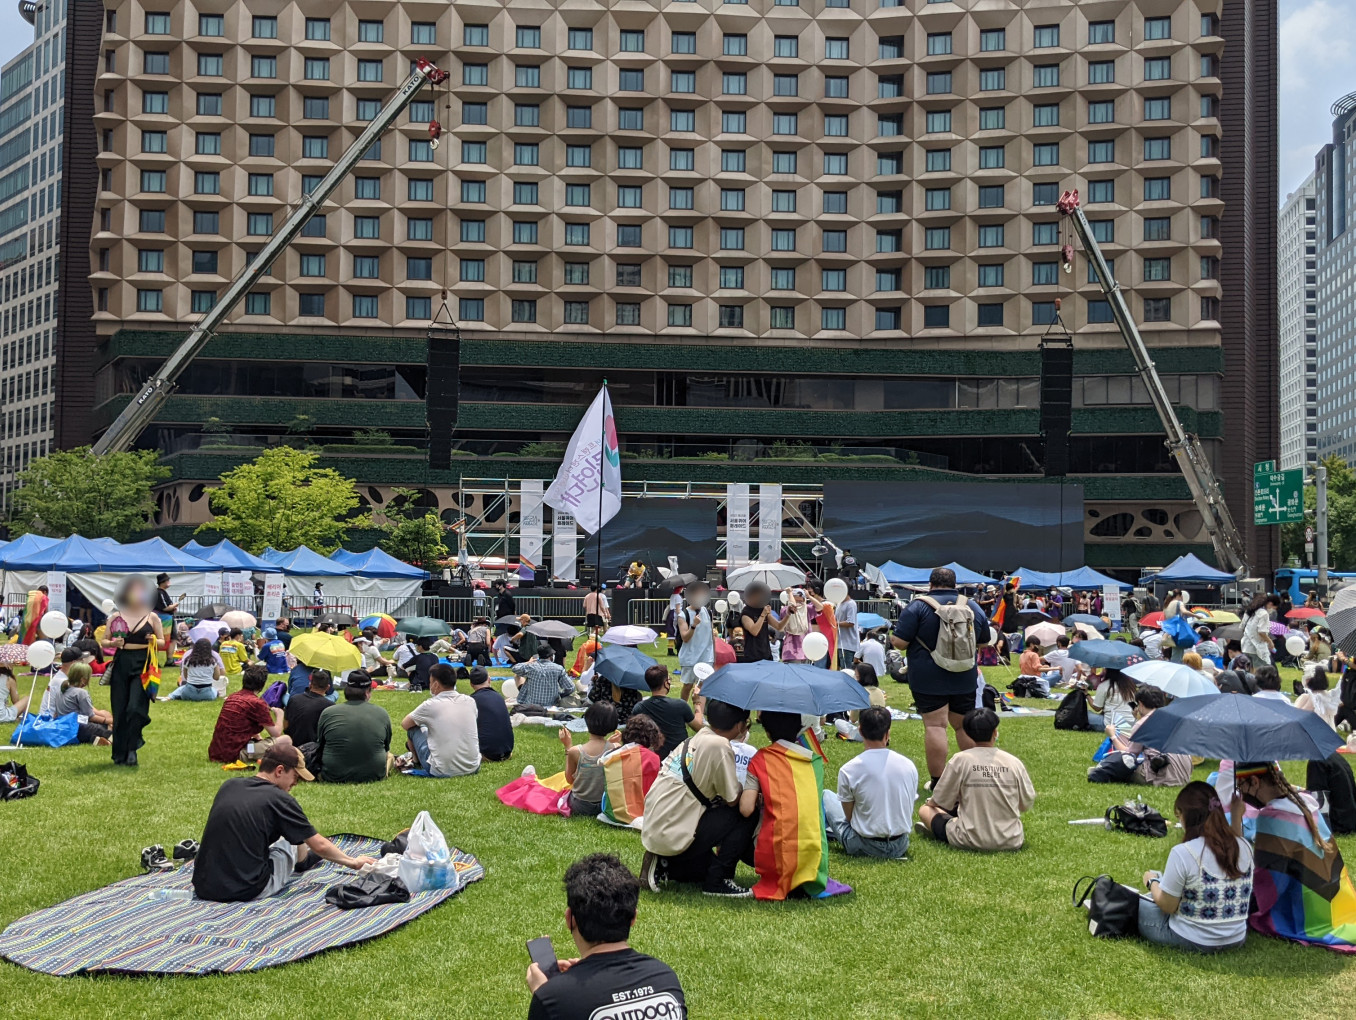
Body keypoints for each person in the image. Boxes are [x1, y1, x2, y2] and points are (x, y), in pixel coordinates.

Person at [192, 737, 376, 902]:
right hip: (247, 889)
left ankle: (300, 856)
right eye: (295, 777)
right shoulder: (280, 800)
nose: (295, 784)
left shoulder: (229, 785)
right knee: (289, 838)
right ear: (279, 771)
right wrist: (353, 862)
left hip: (204, 886)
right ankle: (303, 860)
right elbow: (319, 844)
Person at [525, 854, 686, 1020]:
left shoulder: (554, 998)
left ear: (569, 919)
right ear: (633, 918)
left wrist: (543, 993)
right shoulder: (665, 978)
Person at [1231, 761, 1356, 949]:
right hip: (1340, 904)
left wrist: (1235, 820)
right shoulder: (1306, 802)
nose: (1242, 794)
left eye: (1242, 787)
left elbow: (1266, 881)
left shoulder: (1272, 816)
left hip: (1308, 915)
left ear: (1255, 782)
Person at [640, 698, 756, 898]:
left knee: (700, 871)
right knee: (745, 812)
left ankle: (667, 862)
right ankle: (718, 880)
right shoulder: (719, 745)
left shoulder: (699, 737)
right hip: (673, 826)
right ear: (739, 725)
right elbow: (733, 799)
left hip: (660, 823)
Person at [891, 567, 992, 788]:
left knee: (936, 726)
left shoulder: (917, 606)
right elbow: (984, 641)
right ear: (955, 584)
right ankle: (972, 776)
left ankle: (938, 782)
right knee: (963, 726)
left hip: (928, 676)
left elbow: (900, 643)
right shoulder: (972, 605)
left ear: (931, 584)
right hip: (964, 674)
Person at [1138, 781, 1254, 952]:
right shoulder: (1244, 846)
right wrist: (1236, 815)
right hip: (1236, 938)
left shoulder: (1183, 853)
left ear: (1187, 816)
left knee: (1136, 904)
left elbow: (1168, 906)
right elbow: (1229, 851)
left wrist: (1152, 881)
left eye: (1179, 816)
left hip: (1192, 938)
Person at [915, 708, 1035, 852]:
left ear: (967, 733)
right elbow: (1026, 803)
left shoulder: (961, 759)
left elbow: (940, 800)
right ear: (995, 732)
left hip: (968, 839)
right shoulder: (1013, 762)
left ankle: (940, 829)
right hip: (1011, 839)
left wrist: (930, 802)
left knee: (925, 810)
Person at [823, 706, 916, 859]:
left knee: (827, 795)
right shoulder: (908, 765)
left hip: (864, 845)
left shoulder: (849, 769)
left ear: (860, 731)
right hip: (900, 844)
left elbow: (849, 818)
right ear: (887, 733)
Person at [106, 574, 166, 766]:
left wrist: (154, 641)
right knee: (120, 709)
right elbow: (104, 640)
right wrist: (114, 642)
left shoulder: (152, 617)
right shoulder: (116, 616)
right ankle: (119, 754)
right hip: (122, 662)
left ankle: (133, 747)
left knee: (135, 708)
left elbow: (163, 641)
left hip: (143, 663)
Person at [1087, 688, 1192, 786]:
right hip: (1183, 776)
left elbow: (1129, 755)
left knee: (1121, 764)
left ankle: (1100, 771)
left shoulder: (1142, 723)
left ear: (1140, 704)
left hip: (1160, 776)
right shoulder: (1173, 719)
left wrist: (1113, 736)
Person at [400, 663, 480, 777]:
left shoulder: (430, 705)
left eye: (430, 681)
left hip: (441, 769)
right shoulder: (470, 701)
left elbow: (405, 724)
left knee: (413, 729)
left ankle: (416, 761)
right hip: (473, 766)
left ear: (436, 684)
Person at [315, 670, 392, 783]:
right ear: (368, 692)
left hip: (333, 774)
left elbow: (320, 744)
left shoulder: (328, 713)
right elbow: (386, 746)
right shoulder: (381, 713)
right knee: (390, 756)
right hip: (374, 774)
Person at [209, 664, 283, 763]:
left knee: (258, 741)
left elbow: (238, 725)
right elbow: (276, 733)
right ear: (262, 684)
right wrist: (280, 715)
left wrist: (257, 736)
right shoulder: (257, 703)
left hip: (216, 752)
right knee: (285, 740)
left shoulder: (232, 697)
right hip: (237, 754)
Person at [631, 664, 702, 759]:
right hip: (678, 758)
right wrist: (697, 702)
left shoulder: (639, 708)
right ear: (665, 683)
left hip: (651, 759)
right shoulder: (680, 705)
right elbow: (699, 727)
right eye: (669, 679)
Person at [561, 701, 618, 818]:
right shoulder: (616, 748)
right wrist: (610, 744)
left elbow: (569, 779)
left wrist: (568, 747)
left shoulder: (575, 751)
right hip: (605, 804)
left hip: (580, 805)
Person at [50, 663, 112, 745]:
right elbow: (90, 717)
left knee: (97, 727)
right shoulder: (81, 693)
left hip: (64, 728)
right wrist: (108, 720)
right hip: (79, 727)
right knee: (105, 728)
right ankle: (108, 738)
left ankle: (94, 739)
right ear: (83, 679)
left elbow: (56, 714)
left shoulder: (60, 691)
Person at [674, 582, 715, 702]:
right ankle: (683, 710)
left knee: (702, 686)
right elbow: (685, 637)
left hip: (706, 656)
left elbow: (711, 633)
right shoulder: (683, 615)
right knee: (688, 686)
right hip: (690, 657)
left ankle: (699, 713)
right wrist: (693, 626)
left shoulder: (708, 612)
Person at [467, 666, 514, 761]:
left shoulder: (471, 701)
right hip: (507, 751)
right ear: (489, 680)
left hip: (486, 753)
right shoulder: (499, 697)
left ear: (471, 684)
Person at [512, 646, 577, 709]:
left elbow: (515, 668)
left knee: (520, 677)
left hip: (531, 705)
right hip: (552, 704)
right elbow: (571, 687)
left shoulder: (531, 667)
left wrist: (528, 662)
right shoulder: (558, 668)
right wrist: (560, 695)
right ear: (551, 656)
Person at [283, 668, 333, 746]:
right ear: (328, 687)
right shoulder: (330, 706)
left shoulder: (294, 699)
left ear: (310, 685)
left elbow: (285, 725)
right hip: (314, 750)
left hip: (293, 745)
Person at [1088, 668, 1137, 736]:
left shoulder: (1104, 685)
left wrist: (1086, 694)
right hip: (1130, 723)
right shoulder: (1130, 685)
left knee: (1086, 714)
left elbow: (1097, 708)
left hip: (1111, 725)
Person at [737, 584, 775, 663]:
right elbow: (754, 631)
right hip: (752, 655)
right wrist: (763, 615)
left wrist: (788, 614)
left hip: (766, 653)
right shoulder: (746, 612)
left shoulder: (763, 609)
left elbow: (779, 626)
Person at [1241, 594, 1277, 667]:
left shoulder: (1249, 611)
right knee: (1263, 671)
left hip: (1246, 646)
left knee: (1249, 671)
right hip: (1257, 649)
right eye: (1274, 607)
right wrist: (1270, 642)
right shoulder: (1264, 614)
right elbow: (1261, 632)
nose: (1273, 610)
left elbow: (1242, 627)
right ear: (1270, 604)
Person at [154, 573, 180, 662]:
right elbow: (165, 608)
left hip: (164, 618)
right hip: (164, 620)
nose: (169, 582)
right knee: (166, 639)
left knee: (171, 639)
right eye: (168, 580)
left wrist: (172, 608)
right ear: (163, 582)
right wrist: (174, 605)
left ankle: (168, 659)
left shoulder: (161, 592)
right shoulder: (159, 592)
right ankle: (166, 660)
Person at [835, 588, 859, 669]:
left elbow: (850, 622)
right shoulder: (839, 604)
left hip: (848, 644)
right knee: (840, 667)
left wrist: (835, 624)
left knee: (846, 669)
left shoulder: (851, 604)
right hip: (839, 642)